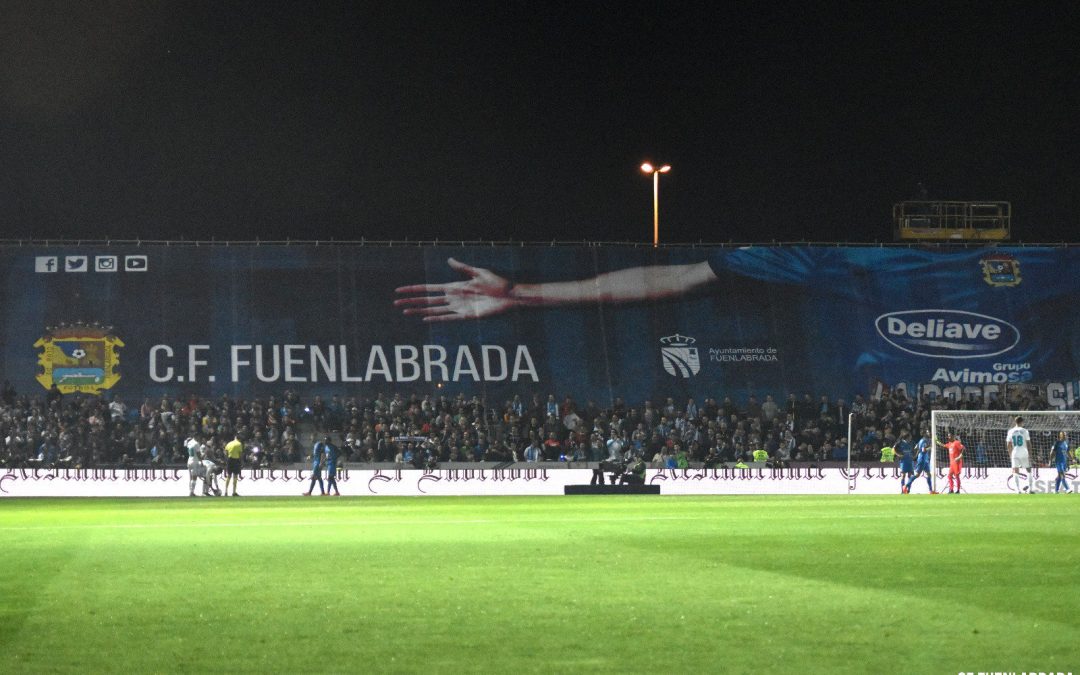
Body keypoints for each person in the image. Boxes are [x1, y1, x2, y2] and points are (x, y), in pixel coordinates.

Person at [1006, 416, 1033, 494]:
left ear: (1015, 422)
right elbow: (1028, 443)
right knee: (1028, 470)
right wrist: (1030, 454)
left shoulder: (1010, 431)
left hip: (1015, 452)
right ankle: (1030, 489)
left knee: (1015, 471)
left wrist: (1010, 454)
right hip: (1024, 452)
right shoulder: (1025, 431)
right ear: (1022, 422)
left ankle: (1018, 490)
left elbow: (1008, 444)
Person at [223, 432, 244, 497]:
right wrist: (241, 462)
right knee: (235, 476)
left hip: (229, 460)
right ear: (239, 439)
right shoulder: (239, 444)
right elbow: (240, 454)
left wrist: (227, 459)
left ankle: (226, 492)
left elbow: (225, 452)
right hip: (236, 460)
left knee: (229, 476)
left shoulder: (229, 443)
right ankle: (234, 492)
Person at [185, 433, 205, 497]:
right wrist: (201, 460)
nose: (199, 438)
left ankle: (190, 491)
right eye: (199, 437)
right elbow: (198, 454)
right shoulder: (196, 443)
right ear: (196, 436)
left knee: (190, 478)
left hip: (189, 460)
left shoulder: (189, 442)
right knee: (194, 478)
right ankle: (192, 492)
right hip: (194, 461)